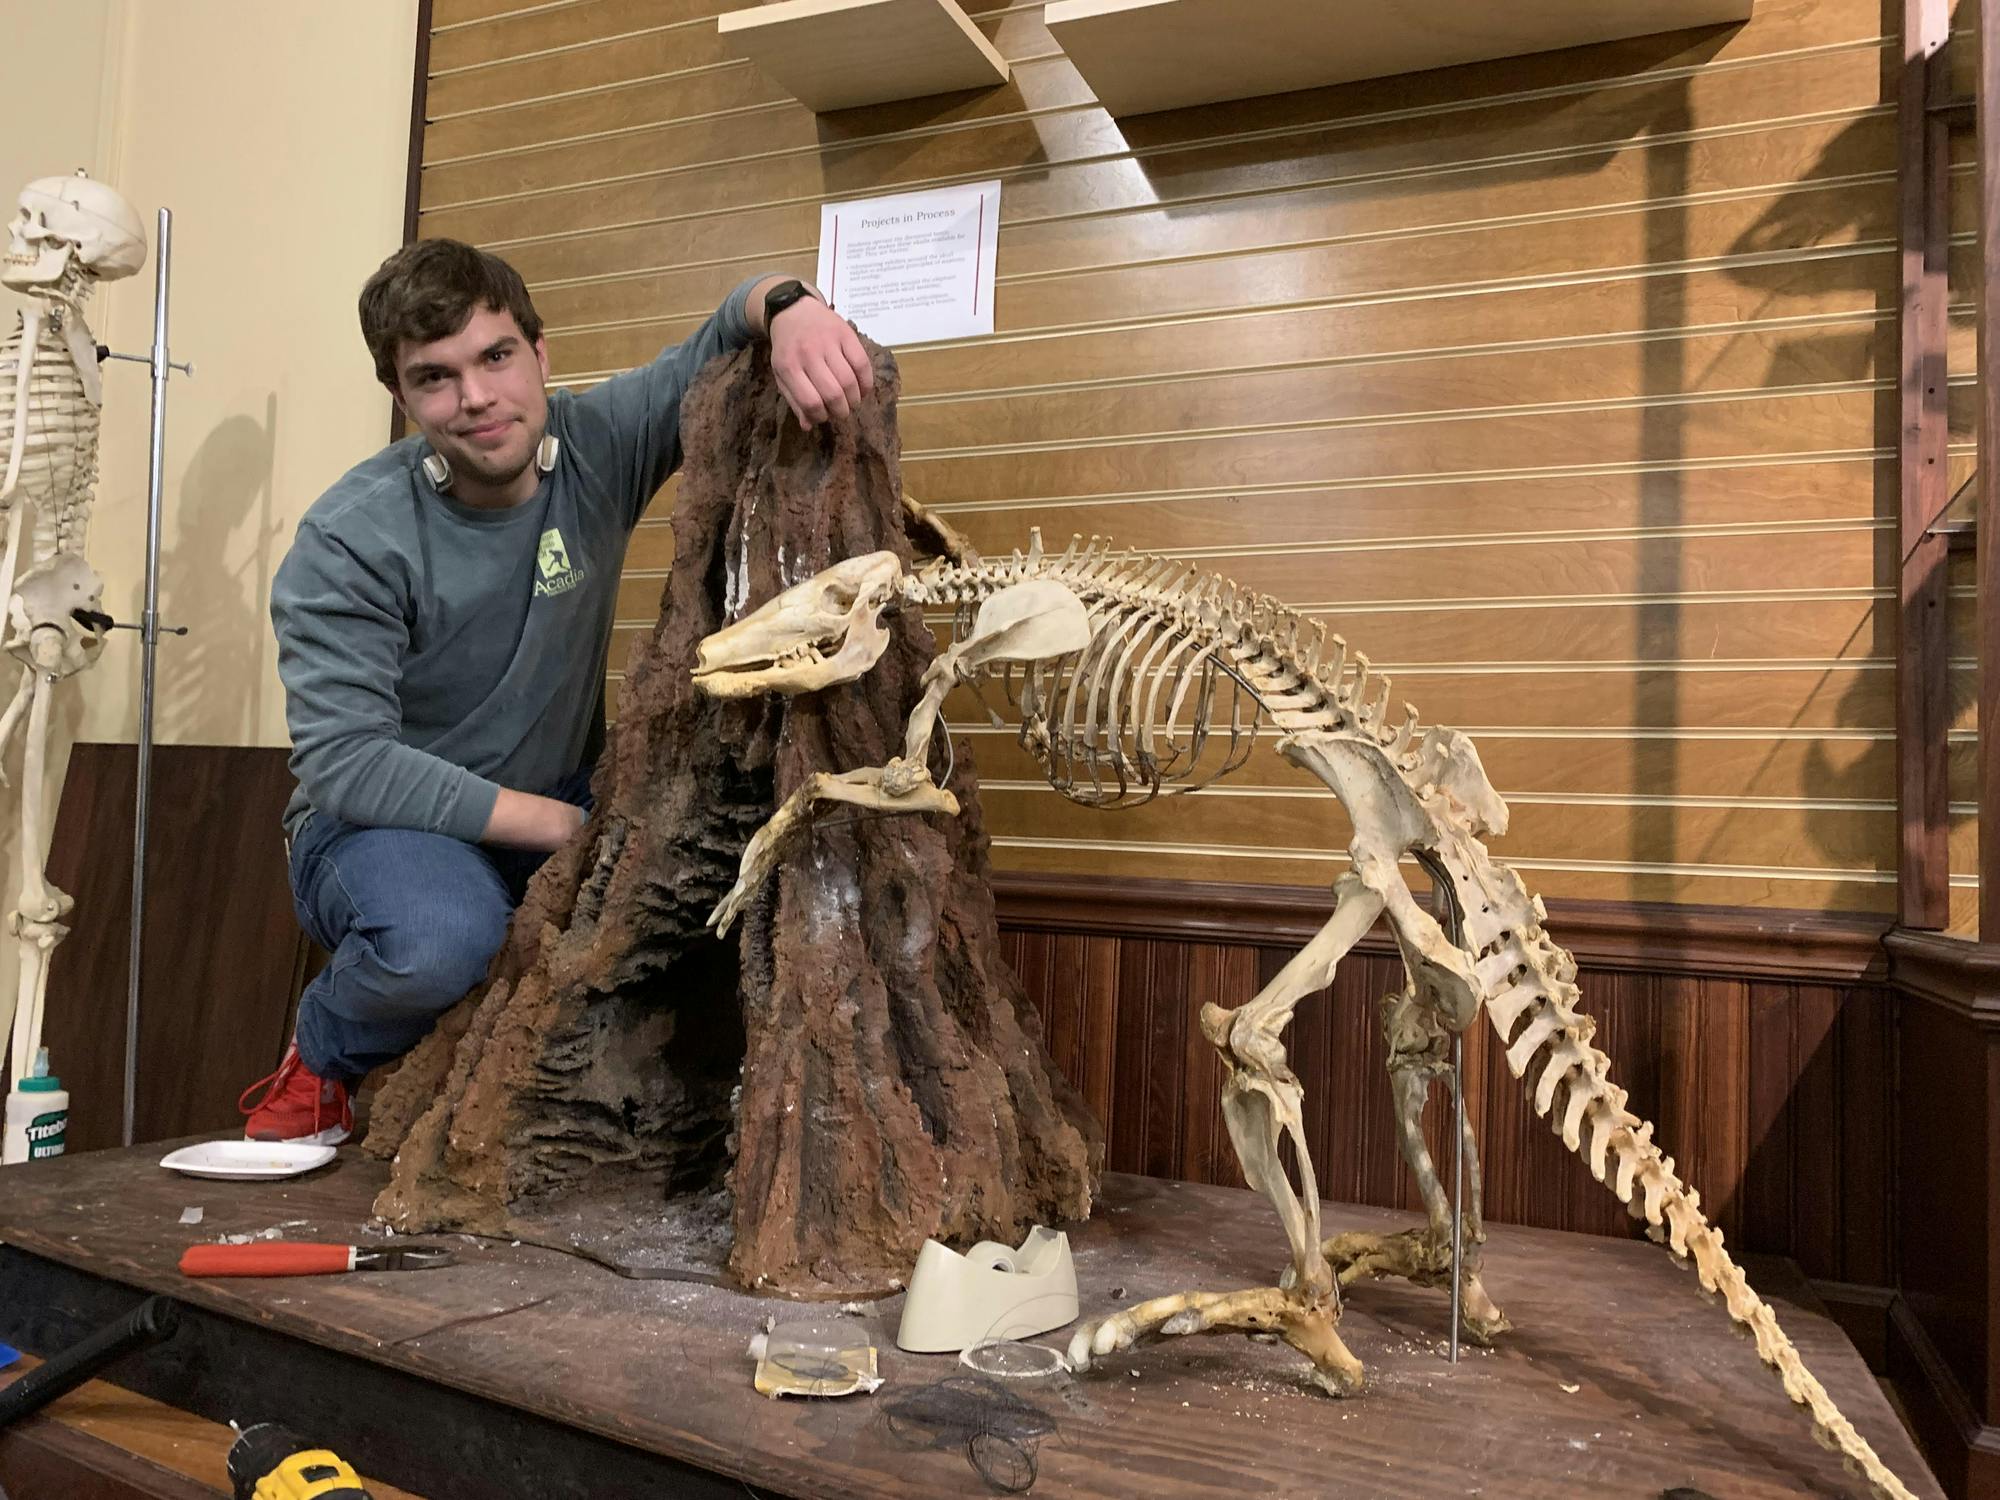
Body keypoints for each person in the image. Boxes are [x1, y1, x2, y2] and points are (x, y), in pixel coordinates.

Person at [239, 239, 870, 1144]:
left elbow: (725, 321)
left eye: (496, 357)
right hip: (385, 825)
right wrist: (563, 827)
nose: (477, 399)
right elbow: (347, 763)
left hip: (556, 796)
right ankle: (323, 1050)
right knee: (439, 946)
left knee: (719, 891)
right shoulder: (350, 540)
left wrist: (791, 306)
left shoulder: (594, 447)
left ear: (540, 354)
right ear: (403, 400)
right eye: (436, 378)